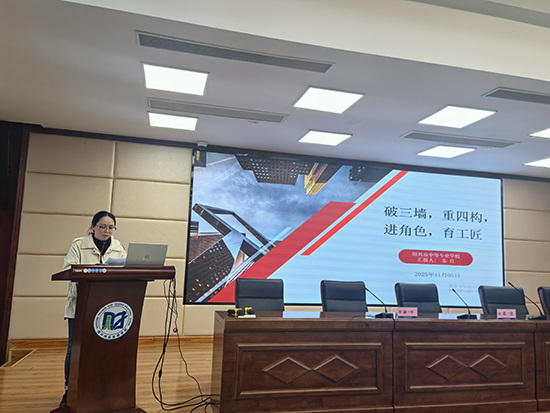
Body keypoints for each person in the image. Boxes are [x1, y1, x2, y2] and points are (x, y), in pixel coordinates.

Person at [59, 211, 127, 407]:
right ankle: (69, 390)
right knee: (75, 347)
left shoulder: (118, 247)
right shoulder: (79, 244)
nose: (107, 231)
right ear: (93, 226)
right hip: (81, 304)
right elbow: (68, 268)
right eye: (102, 226)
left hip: (108, 307)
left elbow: (127, 271)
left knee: (105, 349)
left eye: (111, 227)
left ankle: (102, 390)